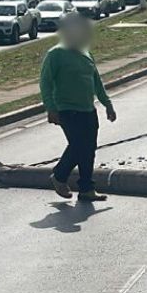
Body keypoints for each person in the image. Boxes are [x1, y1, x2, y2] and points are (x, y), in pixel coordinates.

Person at [39, 13, 117, 202]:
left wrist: (108, 104)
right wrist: (51, 108)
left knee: (89, 149)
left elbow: (96, 81)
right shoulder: (56, 54)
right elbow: (45, 83)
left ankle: (86, 190)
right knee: (78, 145)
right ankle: (59, 175)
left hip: (88, 109)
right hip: (67, 109)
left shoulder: (86, 53)